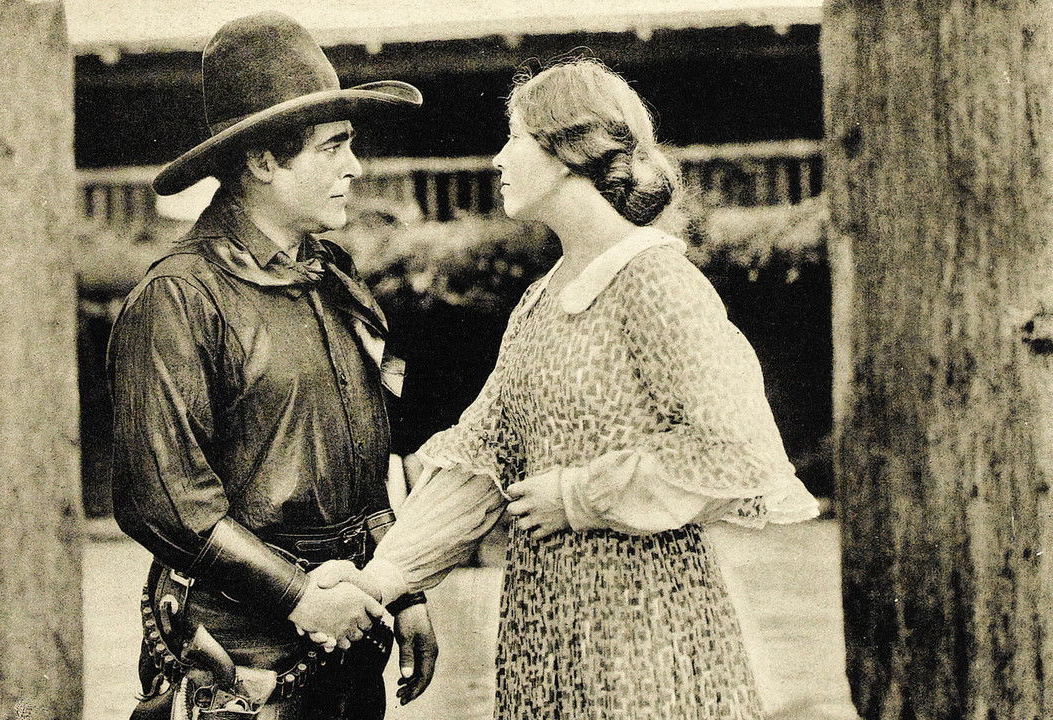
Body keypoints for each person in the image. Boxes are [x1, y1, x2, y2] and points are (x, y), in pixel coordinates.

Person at [330, 58, 820, 718]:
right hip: (546, 625)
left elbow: (732, 448)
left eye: (514, 139)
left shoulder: (657, 284)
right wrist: (382, 579)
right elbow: (480, 464)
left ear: (567, 151)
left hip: (646, 632)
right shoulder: (539, 302)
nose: (498, 159)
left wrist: (580, 494)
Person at [107, 12, 434, 719]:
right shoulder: (178, 297)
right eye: (333, 147)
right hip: (235, 663)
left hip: (347, 639)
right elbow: (161, 500)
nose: (354, 167)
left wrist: (401, 586)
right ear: (261, 161)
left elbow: (363, 462)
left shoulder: (334, 281)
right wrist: (303, 596)